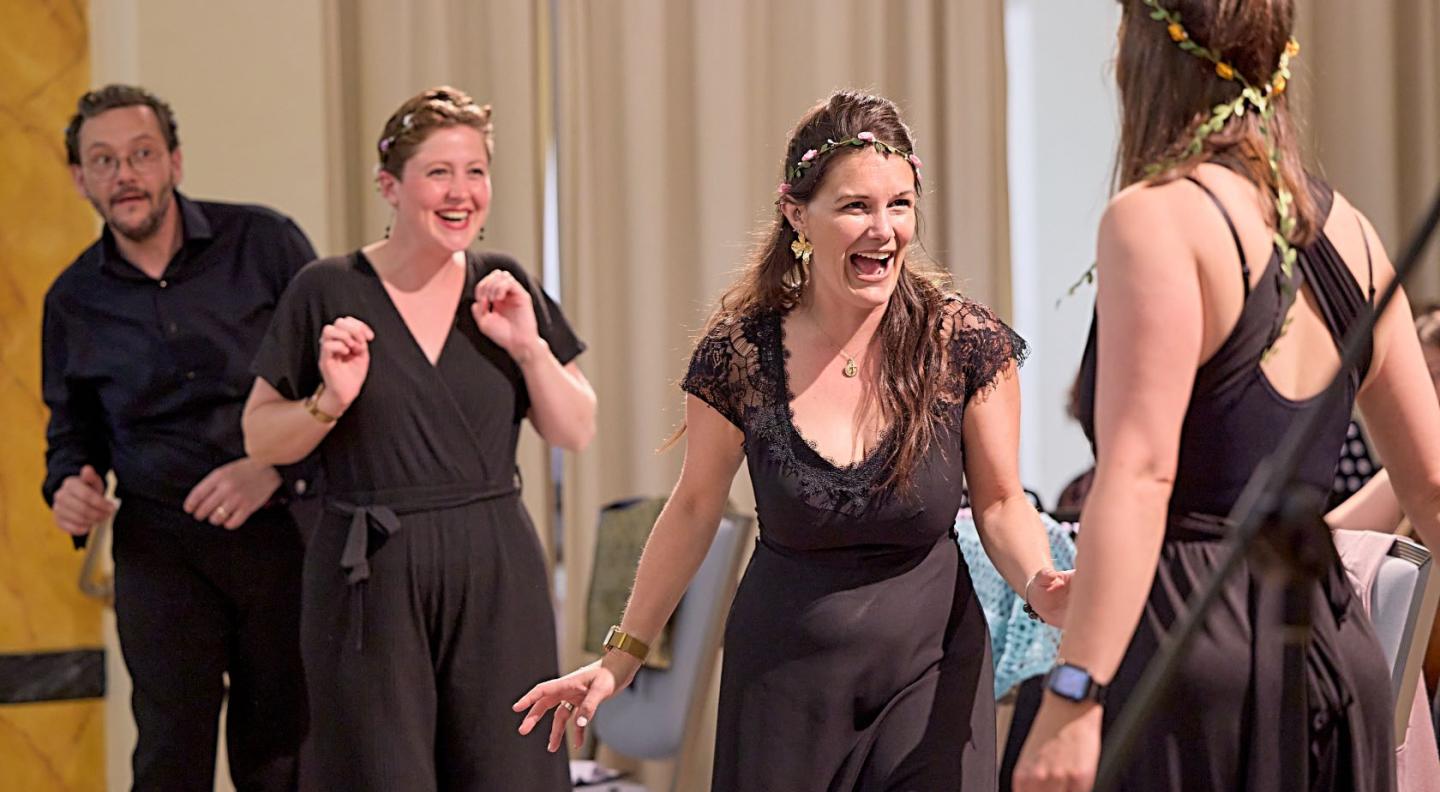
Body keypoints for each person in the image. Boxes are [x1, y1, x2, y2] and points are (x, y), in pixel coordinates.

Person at [514, 89, 1070, 790]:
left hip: (931, 672)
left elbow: (999, 503)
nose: (884, 229)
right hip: (784, 682)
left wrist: (1042, 585)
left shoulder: (963, 343)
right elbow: (692, 509)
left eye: (900, 204)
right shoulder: (739, 355)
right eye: (855, 206)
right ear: (796, 215)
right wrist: (620, 657)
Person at [1014, 2, 1440, 790]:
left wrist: (1074, 691)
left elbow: (1141, 478)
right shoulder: (1350, 231)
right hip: (1328, 655)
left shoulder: (1156, 219)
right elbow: (1436, 485)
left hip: (1191, 651)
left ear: (1148, 58)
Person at [242, 86, 593, 791]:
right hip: (368, 576)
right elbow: (260, 438)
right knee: (377, 773)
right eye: (439, 172)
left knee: (510, 769)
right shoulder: (324, 289)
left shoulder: (506, 286)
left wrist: (529, 348)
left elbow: (576, 429)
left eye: (475, 171)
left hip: (496, 568)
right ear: (390, 186)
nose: (461, 192)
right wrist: (328, 402)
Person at [42, 84, 315, 789]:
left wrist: (272, 471)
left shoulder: (265, 243)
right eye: (103, 160)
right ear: (80, 179)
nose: (124, 174)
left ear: (175, 163)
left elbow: (337, 389)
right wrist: (69, 486)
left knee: (280, 750)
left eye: (141, 154)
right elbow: (72, 436)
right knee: (169, 750)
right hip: (159, 547)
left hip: (280, 532)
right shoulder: (72, 300)